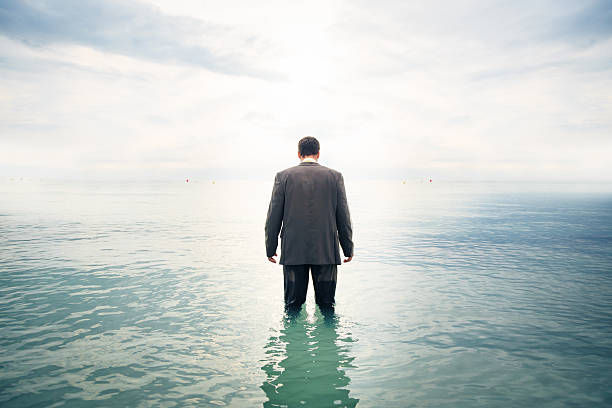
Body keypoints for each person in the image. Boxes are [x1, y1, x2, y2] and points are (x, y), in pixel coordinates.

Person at [265, 136, 354, 311]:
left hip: (293, 251)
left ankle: (292, 338)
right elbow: (343, 216)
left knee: (293, 307)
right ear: (318, 154)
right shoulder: (335, 177)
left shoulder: (283, 176)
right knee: (327, 306)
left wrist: (270, 247)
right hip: (326, 250)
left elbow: (273, 216)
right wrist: (348, 248)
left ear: (298, 153)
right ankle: (328, 337)